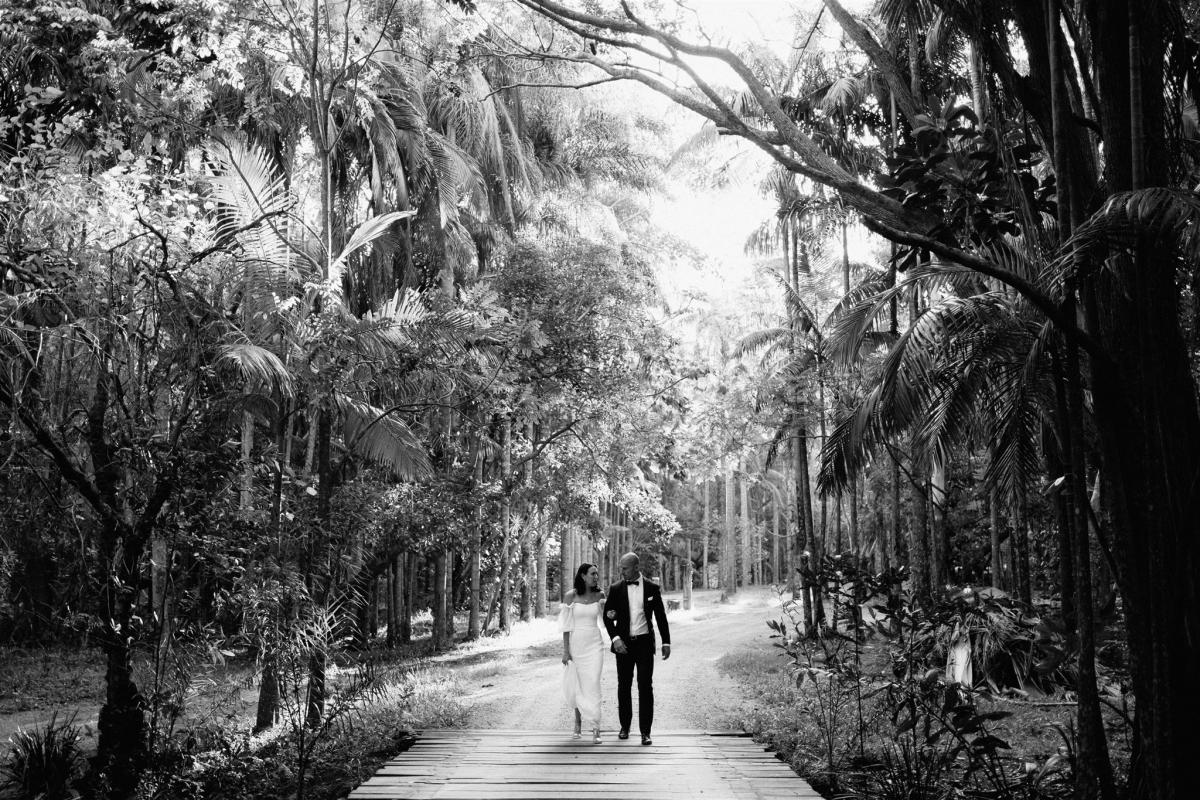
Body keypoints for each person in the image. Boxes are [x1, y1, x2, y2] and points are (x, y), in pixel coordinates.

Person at [602, 552, 671, 746]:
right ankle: (624, 727)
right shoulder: (615, 589)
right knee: (623, 686)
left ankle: (645, 732)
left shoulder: (651, 587)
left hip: (644, 644)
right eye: (621, 568)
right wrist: (615, 638)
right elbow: (608, 618)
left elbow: (660, 617)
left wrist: (666, 642)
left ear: (635, 567)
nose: (621, 571)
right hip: (623, 645)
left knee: (645, 687)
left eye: (624, 568)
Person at [558, 562, 608, 743]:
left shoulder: (600, 595)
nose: (596, 577)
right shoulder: (570, 596)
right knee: (578, 683)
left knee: (593, 683)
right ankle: (578, 722)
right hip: (577, 644)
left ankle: (596, 726)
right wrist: (566, 651)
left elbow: (608, 619)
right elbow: (566, 626)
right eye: (593, 574)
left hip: (595, 644)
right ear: (583, 576)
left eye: (597, 574)